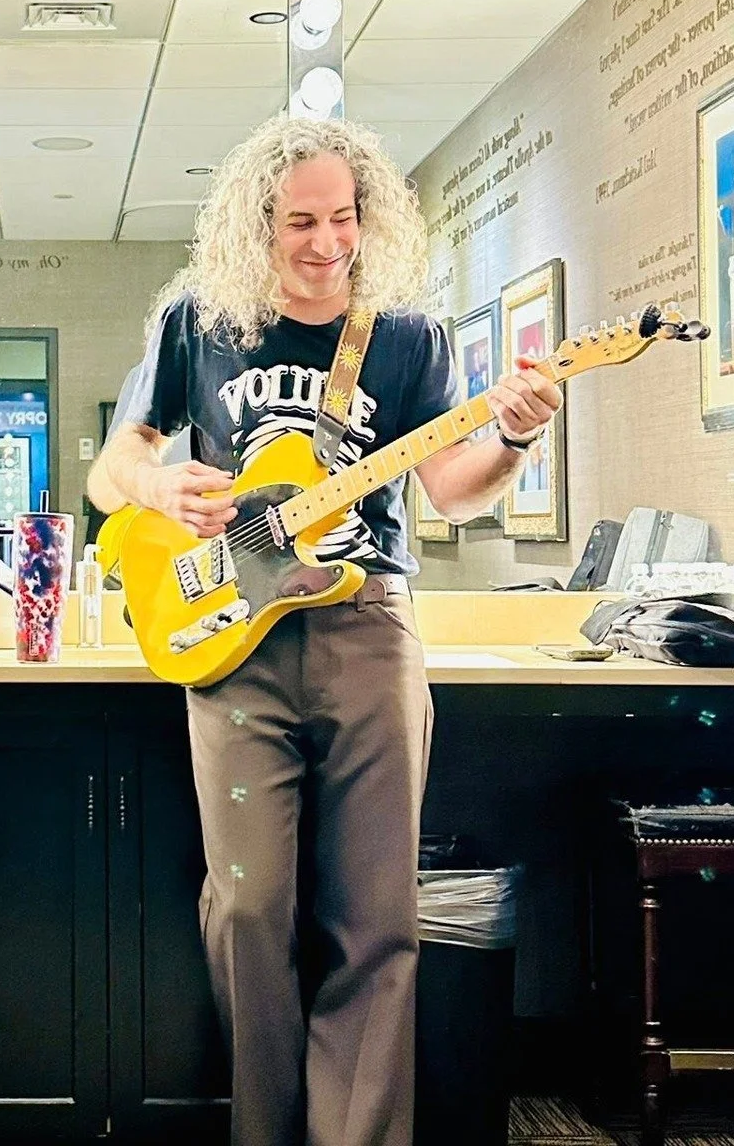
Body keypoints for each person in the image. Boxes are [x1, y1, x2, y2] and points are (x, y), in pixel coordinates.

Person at [87, 115, 561, 1146]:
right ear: (257, 225)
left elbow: (455, 491)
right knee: (249, 912)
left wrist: (513, 438)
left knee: (376, 921)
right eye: (300, 221)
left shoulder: (405, 337)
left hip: (367, 627)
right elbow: (110, 467)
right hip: (233, 637)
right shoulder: (199, 322)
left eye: (342, 218)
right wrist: (159, 487)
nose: (325, 243)